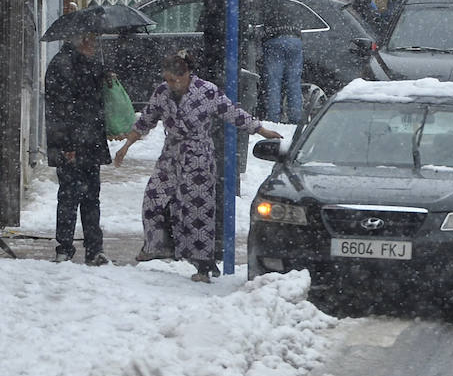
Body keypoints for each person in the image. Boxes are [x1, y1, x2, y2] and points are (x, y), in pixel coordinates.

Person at [114, 50, 282, 282]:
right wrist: (126, 146)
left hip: (198, 158)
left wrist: (261, 129)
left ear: (186, 75)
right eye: (167, 79)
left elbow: (233, 112)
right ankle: (158, 245)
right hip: (171, 156)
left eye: (174, 80)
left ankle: (203, 265)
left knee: (197, 210)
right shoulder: (162, 93)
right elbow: (145, 120)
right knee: (153, 197)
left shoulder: (207, 91)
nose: (170, 84)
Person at [44, 30, 111, 266]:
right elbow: (60, 109)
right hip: (71, 144)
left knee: (92, 195)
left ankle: (94, 249)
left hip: (89, 142)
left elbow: (93, 102)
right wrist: (67, 144)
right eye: (92, 39)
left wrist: (104, 75)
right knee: (70, 196)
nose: (95, 44)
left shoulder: (87, 64)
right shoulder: (62, 66)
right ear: (81, 40)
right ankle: (65, 247)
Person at [259, 0, 304, 127]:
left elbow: (256, 26)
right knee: (294, 82)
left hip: (274, 41)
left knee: (274, 82)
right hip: (295, 41)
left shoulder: (266, 8)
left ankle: (274, 118)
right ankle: (296, 117)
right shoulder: (288, 6)